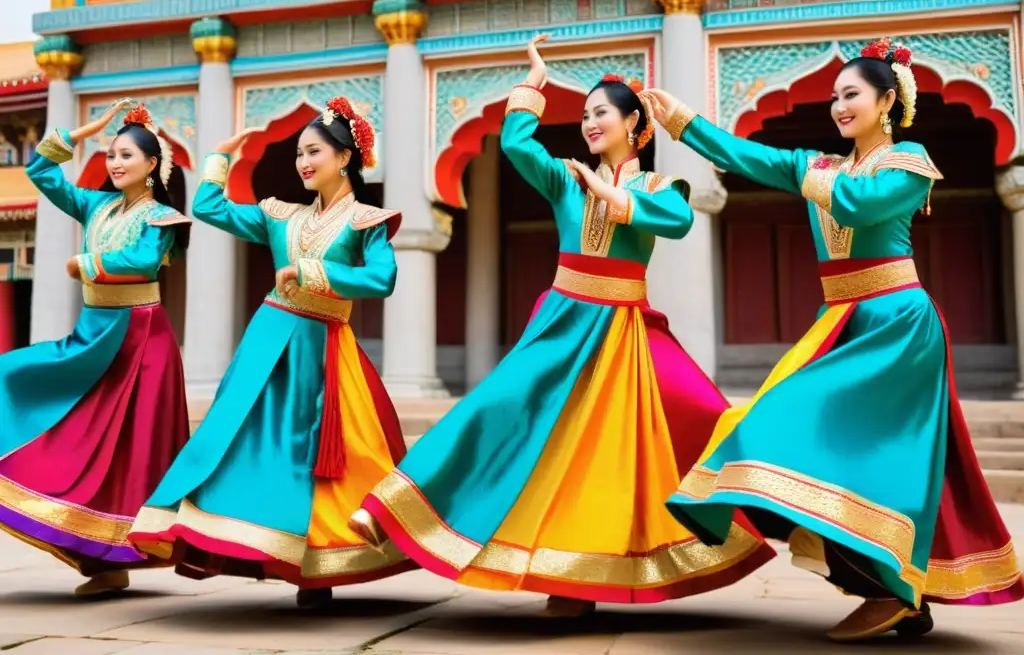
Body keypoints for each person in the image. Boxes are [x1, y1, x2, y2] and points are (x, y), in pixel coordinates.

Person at [349, 34, 774, 615]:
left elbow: (675, 222)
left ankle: (579, 576)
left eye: (602, 113)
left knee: (641, 440)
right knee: (494, 409)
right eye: (585, 115)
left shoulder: (657, 185)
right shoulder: (566, 178)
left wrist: (610, 193)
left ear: (634, 123)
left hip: (625, 331)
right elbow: (520, 146)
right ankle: (396, 508)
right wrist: (533, 85)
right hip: (564, 322)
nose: (591, 123)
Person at [650, 37, 1023, 641]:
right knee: (777, 434)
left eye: (852, 95)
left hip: (898, 325)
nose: (839, 106)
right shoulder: (820, 165)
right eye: (834, 97)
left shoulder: (909, 163)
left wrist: (806, 174)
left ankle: (894, 590)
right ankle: (889, 590)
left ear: (885, 103)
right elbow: (748, 157)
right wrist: (683, 122)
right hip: (843, 321)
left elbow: (857, 205)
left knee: (884, 465)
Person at [127, 96, 414, 609]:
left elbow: (382, 278)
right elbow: (209, 208)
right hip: (266, 344)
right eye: (299, 154)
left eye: (314, 153)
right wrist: (219, 158)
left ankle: (317, 563)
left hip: (322, 347)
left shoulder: (367, 221)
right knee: (236, 441)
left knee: (314, 459)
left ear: (344, 157)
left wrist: (313, 273)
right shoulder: (281, 216)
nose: (303, 163)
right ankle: (237, 536)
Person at [0, 100, 191, 596]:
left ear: (152, 165)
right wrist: (82, 132)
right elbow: (42, 171)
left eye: (126, 155)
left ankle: (111, 561)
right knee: (15, 374)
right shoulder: (95, 205)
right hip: (93, 334)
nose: (115, 163)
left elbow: (144, 261)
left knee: (126, 452)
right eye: (109, 155)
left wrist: (87, 263)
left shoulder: (163, 217)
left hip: (139, 341)